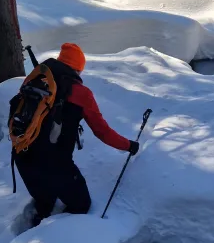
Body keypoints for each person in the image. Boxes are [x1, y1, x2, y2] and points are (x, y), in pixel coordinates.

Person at [14, 43, 139, 225]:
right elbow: (102, 132)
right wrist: (129, 145)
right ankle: (65, 242)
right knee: (81, 206)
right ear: (77, 69)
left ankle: (38, 222)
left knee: (45, 202)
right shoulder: (81, 93)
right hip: (55, 165)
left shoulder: (36, 81)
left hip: (23, 156)